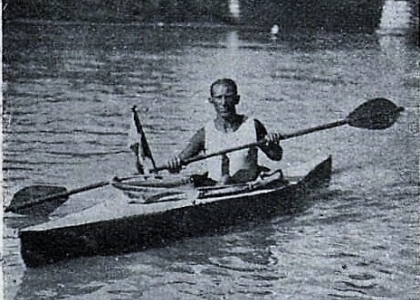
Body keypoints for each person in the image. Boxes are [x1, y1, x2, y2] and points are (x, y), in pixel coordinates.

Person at [166, 78, 283, 185]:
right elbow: (179, 164)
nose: (223, 103)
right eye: (218, 98)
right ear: (211, 101)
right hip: (215, 189)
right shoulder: (204, 133)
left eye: (228, 97)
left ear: (237, 100)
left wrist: (272, 142)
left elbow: (276, 156)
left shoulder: (252, 125)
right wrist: (173, 163)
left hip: (246, 188)